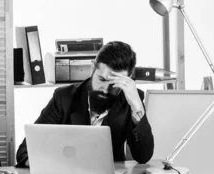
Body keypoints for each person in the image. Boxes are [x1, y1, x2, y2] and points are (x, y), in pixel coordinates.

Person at [16, 41, 154, 167]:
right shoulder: (64, 98)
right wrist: (52, 166)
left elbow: (143, 156)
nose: (105, 89)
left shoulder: (130, 101)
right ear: (92, 68)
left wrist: (137, 106)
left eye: (114, 84)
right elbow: (25, 152)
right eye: (101, 79)